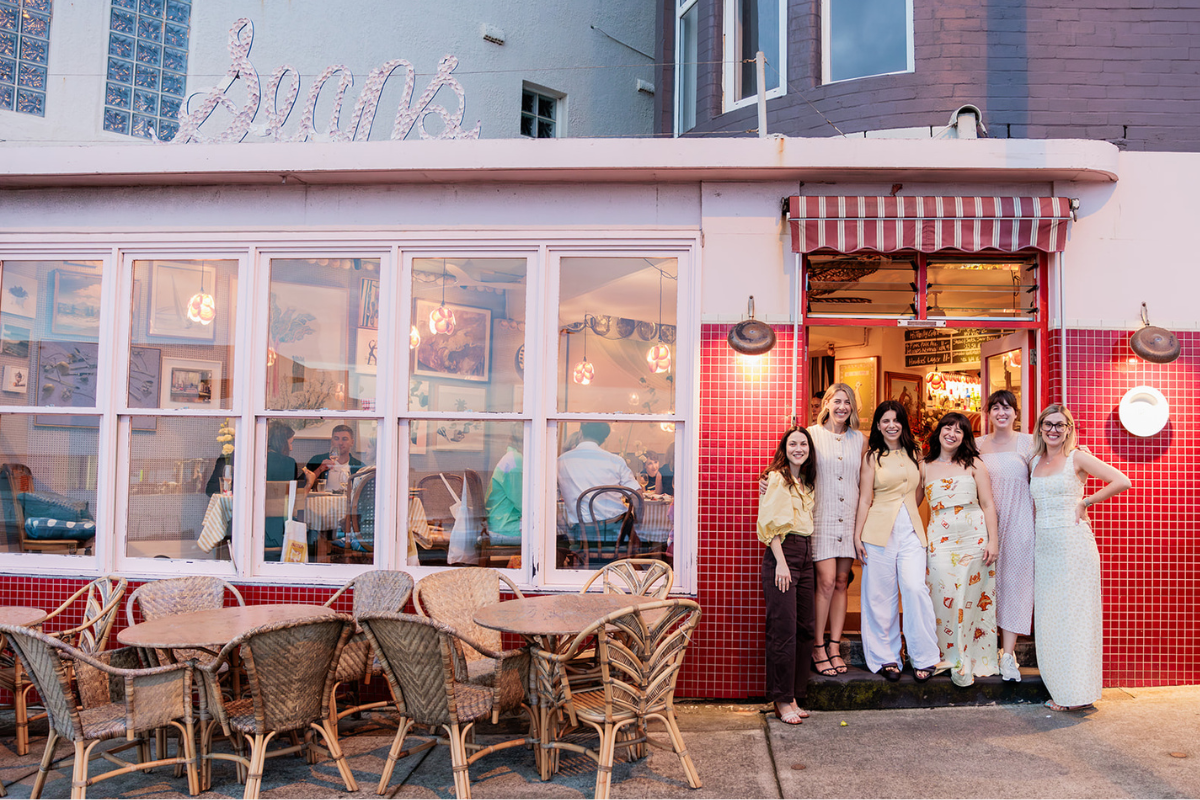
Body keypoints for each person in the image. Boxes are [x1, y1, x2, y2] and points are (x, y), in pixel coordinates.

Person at [1030, 404, 1131, 712]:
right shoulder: (1034, 460)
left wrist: (1086, 501)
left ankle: (1076, 694)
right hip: (1044, 546)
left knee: (1075, 617)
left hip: (1073, 544)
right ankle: (1063, 688)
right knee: (1050, 617)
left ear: (1069, 429)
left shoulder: (1077, 457)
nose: (1053, 430)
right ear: (1040, 428)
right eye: (1048, 424)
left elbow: (1121, 480)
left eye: (1060, 425)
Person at [852, 400, 941, 682]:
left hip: (912, 530)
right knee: (880, 595)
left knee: (915, 589)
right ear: (878, 425)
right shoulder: (871, 457)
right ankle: (885, 657)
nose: (891, 425)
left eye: (896, 420)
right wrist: (857, 535)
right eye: (885, 420)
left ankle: (924, 656)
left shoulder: (915, 453)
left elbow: (919, 493)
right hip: (878, 530)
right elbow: (865, 498)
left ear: (903, 423)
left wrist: (908, 512)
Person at [924, 412, 1000, 687]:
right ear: (939, 431)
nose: (952, 434)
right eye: (948, 427)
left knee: (970, 598)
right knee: (942, 595)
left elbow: (988, 504)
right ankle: (945, 656)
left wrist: (994, 541)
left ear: (965, 437)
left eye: (959, 430)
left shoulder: (975, 464)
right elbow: (912, 505)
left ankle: (973, 657)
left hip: (974, 537)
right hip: (939, 539)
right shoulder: (925, 466)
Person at [757, 427, 818, 725]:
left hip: (805, 554)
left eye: (803, 443)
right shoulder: (778, 479)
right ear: (784, 447)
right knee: (783, 629)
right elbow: (770, 523)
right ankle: (782, 699)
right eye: (792, 443)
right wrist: (781, 563)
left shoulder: (805, 481)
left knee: (805, 626)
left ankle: (795, 693)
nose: (798, 448)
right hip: (784, 554)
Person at [806, 383, 865, 676]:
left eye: (848, 402)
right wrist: (767, 479)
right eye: (837, 401)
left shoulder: (860, 440)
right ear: (827, 403)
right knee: (826, 582)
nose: (842, 407)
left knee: (843, 581)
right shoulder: (811, 435)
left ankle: (834, 645)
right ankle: (817, 646)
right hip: (822, 518)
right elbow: (789, 464)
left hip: (850, 518)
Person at [976, 390, 1036, 681]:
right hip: (984, 526)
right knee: (985, 588)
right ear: (988, 413)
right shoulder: (976, 445)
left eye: (1007, 408)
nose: (1001, 412)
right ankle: (984, 649)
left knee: (1014, 585)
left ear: (1015, 413)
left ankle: (1008, 654)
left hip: (1020, 522)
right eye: (995, 408)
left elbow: (1052, 468)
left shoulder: (1028, 442)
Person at [556, 422, 642, 559]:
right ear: (603, 440)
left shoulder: (560, 462)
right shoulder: (615, 460)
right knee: (636, 534)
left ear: (580, 434)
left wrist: (569, 532)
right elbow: (637, 497)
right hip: (617, 533)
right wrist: (638, 522)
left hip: (582, 534)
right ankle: (629, 567)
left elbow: (549, 503)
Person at [306, 424, 364, 492]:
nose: (340, 443)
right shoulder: (317, 460)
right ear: (331, 441)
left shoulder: (359, 467)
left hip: (347, 502)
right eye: (336, 439)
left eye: (344, 439)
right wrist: (320, 469)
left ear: (352, 442)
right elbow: (302, 485)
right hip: (322, 502)